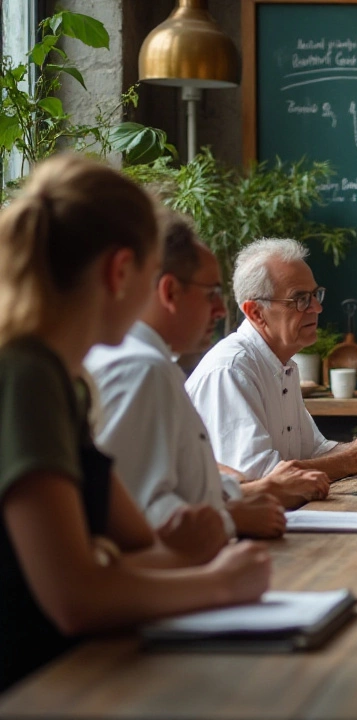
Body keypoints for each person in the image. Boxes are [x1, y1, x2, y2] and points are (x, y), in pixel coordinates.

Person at [0, 155, 270, 692]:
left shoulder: (67, 382)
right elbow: (75, 597)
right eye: (151, 276)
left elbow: (140, 547)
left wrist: (181, 553)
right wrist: (214, 583)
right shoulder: (25, 374)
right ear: (120, 272)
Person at [87, 212, 327, 550]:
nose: (220, 310)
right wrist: (234, 516)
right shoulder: (142, 371)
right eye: (211, 292)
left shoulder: (155, 366)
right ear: (169, 291)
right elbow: (136, 520)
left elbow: (175, 485)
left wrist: (235, 491)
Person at [186, 238, 357, 484]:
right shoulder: (231, 370)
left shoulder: (284, 365)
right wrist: (352, 458)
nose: (317, 308)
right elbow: (261, 477)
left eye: (316, 295)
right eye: (300, 299)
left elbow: (315, 451)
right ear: (255, 312)